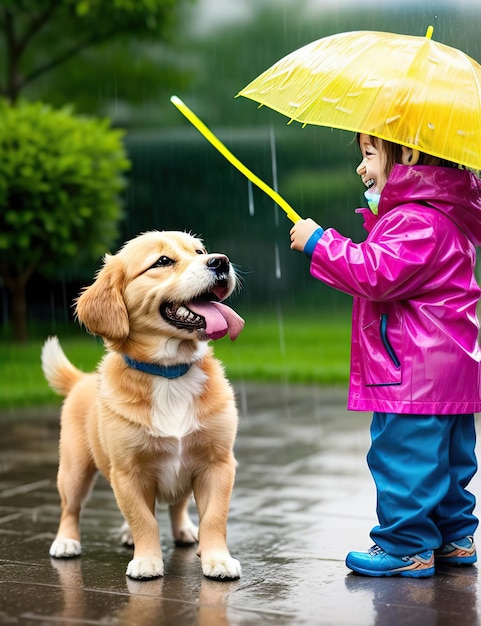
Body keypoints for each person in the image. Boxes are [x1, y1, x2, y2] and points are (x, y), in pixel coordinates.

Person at [290, 133, 481, 578]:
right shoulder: (448, 217)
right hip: (451, 368)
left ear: (408, 155)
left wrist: (321, 242)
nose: (361, 168)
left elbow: (374, 272)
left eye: (369, 155)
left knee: (403, 458)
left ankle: (406, 546)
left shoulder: (414, 219)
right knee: (448, 460)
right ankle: (454, 537)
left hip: (412, 370)